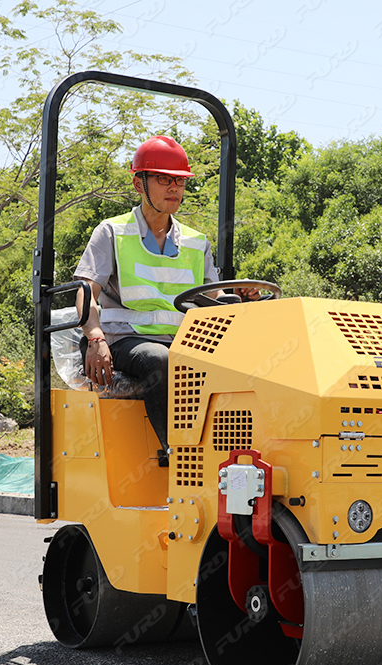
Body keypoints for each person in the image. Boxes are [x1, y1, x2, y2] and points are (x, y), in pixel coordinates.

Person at [74, 135, 255, 466]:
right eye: (162, 179)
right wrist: (94, 338)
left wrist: (238, 297)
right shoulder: (112, 232)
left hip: (182, 343)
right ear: (139, 184)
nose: (174, 188)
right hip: (126, 342)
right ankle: (177, 455)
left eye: (179, 181)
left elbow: (215, 298)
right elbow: (87, 291)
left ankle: (240, 459)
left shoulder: (195, 242)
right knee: (160, 359)